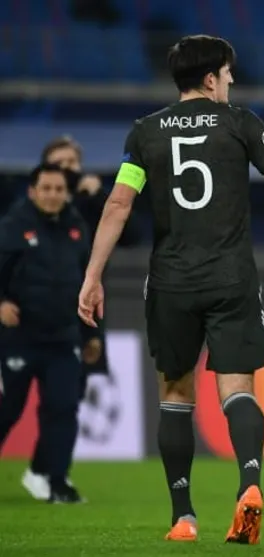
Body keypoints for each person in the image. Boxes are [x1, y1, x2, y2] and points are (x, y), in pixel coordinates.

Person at [76, 34, 264, 544]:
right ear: (211, 78)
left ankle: (183, 518)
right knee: (237, 389)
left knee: (175, 392)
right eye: (229, 74)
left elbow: (119, 205)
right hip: (230, 278)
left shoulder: (145, 133)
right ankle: (249, 485)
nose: (232, 82)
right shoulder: (240, 123)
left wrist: (92, 276)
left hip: (171, 282)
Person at [20, 135, 144, 502]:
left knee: (67, 400)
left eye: (72, 164)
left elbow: (133, 236)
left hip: (78, 319)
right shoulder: (24, 211)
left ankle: (47, 472)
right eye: (59, 164)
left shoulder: (89, 208)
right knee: (11, 405)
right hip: (27, 323)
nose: (67, 171)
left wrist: (100, 197)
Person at [0, 163, 98, 503]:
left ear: (66, 193)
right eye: (46, 188)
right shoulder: (12, 227)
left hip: (63, 338)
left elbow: (90, 284)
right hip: (19, 337)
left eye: (59, 189)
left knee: (63, 409)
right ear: (32, 191)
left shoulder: (77, 228)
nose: (53, 195)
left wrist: (92, 335)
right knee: (7, 410)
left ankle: (57, 481)